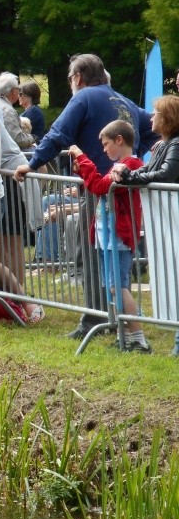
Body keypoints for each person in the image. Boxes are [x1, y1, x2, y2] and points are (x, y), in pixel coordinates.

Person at [14, 53, 160, 340]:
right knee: (112, 257)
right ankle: (119, 319)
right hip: (123, 189)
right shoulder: (124, 100)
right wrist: (141, 164)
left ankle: (96, 317)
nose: (70, 84)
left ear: (78, 77)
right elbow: (156, 126)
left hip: (101, 190)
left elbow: (58, 133)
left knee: (94, 253)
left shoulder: (83, 98)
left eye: (70, 78)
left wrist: (31, 164)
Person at [69, 120, 148, 351]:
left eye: (106, 144)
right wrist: (83, 170)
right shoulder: (121, 165)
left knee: (118, 286)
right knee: (113, 286)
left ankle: (139, 339)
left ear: (119, 140)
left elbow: (99, 186)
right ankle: (125, 336)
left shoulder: (129, 165)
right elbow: (98, 185)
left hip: (118, 238)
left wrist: (83, 159)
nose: (104, 150)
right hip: (107, 236)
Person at [0, 74, 44, 323]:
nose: (19, 95)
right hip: (2, 179)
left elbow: (13, 141)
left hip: (8, 178)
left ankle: (23, 303)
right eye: (17, 91)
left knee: (6, 245)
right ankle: (6, 301)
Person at [111, 94, 179, 355]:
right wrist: (127, 174)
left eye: (157, 113)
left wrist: (128, 176)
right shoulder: (163, 145)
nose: (152, 118)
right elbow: (149, 169)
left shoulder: (176, 143)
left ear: (168, 118)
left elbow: (166, 174)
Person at [0, 72, 35, 149]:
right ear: (13, 91)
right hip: (8, 156)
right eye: (18, 89)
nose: (19, 92)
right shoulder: (8, 110)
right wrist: (32, 138)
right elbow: (18, 140)